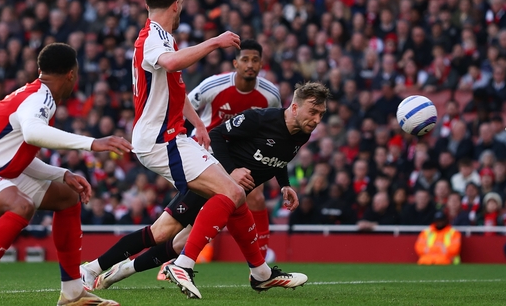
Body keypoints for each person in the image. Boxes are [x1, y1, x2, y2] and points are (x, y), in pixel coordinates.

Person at [79, 0, 295, 300]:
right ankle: (188, 265)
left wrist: (200, 125)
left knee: (173, 226)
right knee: (231, 193)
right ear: (177, 4)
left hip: (172, 138)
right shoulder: (152, 38)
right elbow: (170, 62)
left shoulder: (163, 37)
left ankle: (94, 268)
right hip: (160, 141)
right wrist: (214, 42)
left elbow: (175, 89)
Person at [82, 82, 326, 294]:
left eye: (321, 114)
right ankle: (92, 268)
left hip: (229, 195)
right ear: (294, 107)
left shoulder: (301, 132)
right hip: (211, 179)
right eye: (313, 112)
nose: (316, 119)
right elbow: (218, 134)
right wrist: (231, 172)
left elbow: (277, 158)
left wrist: (284, 185)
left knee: (178, 244)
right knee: (160, 233)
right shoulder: (260, 118)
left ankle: (120, 272)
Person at [0, 42, 132, 306]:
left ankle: (73, 292)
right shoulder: (40, 98)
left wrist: (61, 174)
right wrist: (92, 142)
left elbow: (17, 154)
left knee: (67, 197)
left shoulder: (35, 94)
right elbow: (32, 133)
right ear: (71, 74)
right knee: (21, 205)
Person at [188, 39, 282, 262]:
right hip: (207, 148)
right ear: (235, 64)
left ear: (261, 65)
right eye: (245, 60)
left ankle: (262, 253)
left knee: (256, 197)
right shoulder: (213, 85)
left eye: (255, 60)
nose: (250, 64)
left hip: (241, 153)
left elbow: (275, 127)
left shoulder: (271, 95)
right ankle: (181, 251)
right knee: (204, 201)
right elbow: (185, 106)